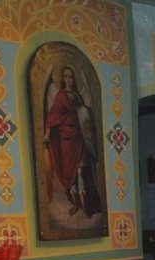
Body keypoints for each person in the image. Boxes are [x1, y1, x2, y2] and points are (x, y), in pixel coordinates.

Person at [43, 65, 102, 217]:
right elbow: (52, 117)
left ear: (74, 79)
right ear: (63, 79)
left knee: (82, 171)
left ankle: (86, 205)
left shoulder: (77, 95)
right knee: (72, 174)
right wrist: (47, 135)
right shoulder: (61, 95)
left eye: (71, 76)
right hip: (66, 140)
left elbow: (85, 115)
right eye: (66, 76)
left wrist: (82, 112)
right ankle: (76, 204)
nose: (68, 79)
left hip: (79, 138)